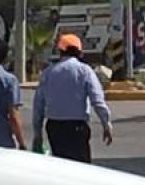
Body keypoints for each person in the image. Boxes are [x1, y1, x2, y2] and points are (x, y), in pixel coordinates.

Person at [32, 33, 114, 163]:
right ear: (79, 52)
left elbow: (38, 105)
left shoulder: (48, 72)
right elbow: (97, 100)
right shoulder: (85, 71)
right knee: (81, 169)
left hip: (54, 127)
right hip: (77, 128)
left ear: (60, 52)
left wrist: (37, 134)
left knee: (60, 167)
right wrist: (106, 124)